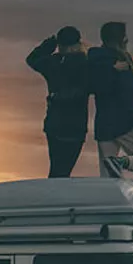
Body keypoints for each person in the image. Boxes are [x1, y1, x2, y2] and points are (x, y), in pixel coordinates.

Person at [88, 21, 133, 178]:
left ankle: (109, 196)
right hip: (124, 122)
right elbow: (128, 96)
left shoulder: (95, 61)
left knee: (107, 175)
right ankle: (121, 162)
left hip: (104, 124)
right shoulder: (122, 63)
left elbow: (93, 87)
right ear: (121, 39)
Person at [26, 26, 90, 178]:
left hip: (55, 123)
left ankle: (51, 197)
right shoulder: (86, 63)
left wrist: (49, 44)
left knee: (56, 169)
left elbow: (32, 59)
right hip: (76, 125)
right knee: (64, 170)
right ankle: (55, 198)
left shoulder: (53, 63)